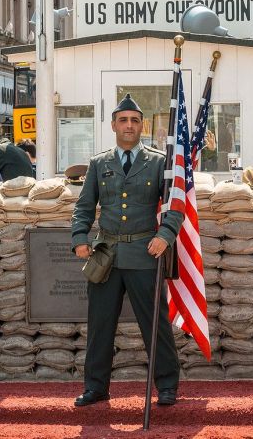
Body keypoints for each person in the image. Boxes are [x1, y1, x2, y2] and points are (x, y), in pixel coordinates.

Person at [70, 94, 183, 408]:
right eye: (123, 120)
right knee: (100, 323)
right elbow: (83, 207)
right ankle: (96, 387)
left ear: (142, 125)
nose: (129, 125)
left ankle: (168, 386)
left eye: (134, 120)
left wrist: (165, 235)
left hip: (145, 252)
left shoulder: (160, 162)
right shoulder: (99, 163)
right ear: (113, 125)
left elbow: (175, 205)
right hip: (105, 255)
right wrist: (80, 238)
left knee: (155, 323)